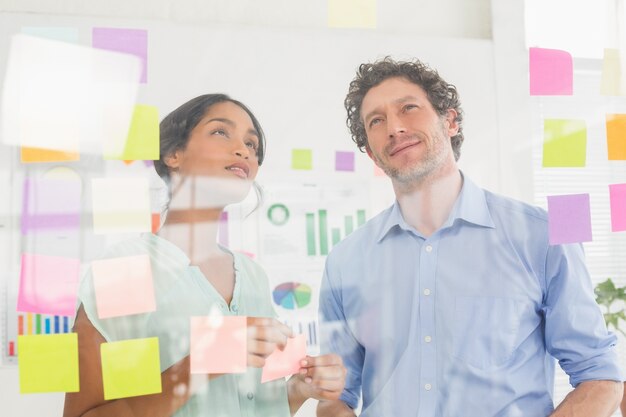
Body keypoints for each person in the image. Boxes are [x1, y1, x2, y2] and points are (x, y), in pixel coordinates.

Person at [317, 58, 624, 417]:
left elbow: (600, 375)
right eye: (377, 121)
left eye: (408, 108)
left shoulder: (541, 236)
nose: (395, 128)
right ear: (371, 152)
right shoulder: (344, 262)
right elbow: (335, 397)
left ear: (450, 121)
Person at [63, 94, 346, 417]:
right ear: (173, 154)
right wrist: (199, 362)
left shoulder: (253, 276)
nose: (243, 150)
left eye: (252, 145)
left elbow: (254, 404)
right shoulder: (126, 271)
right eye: (221, 132)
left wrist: (300, 389)